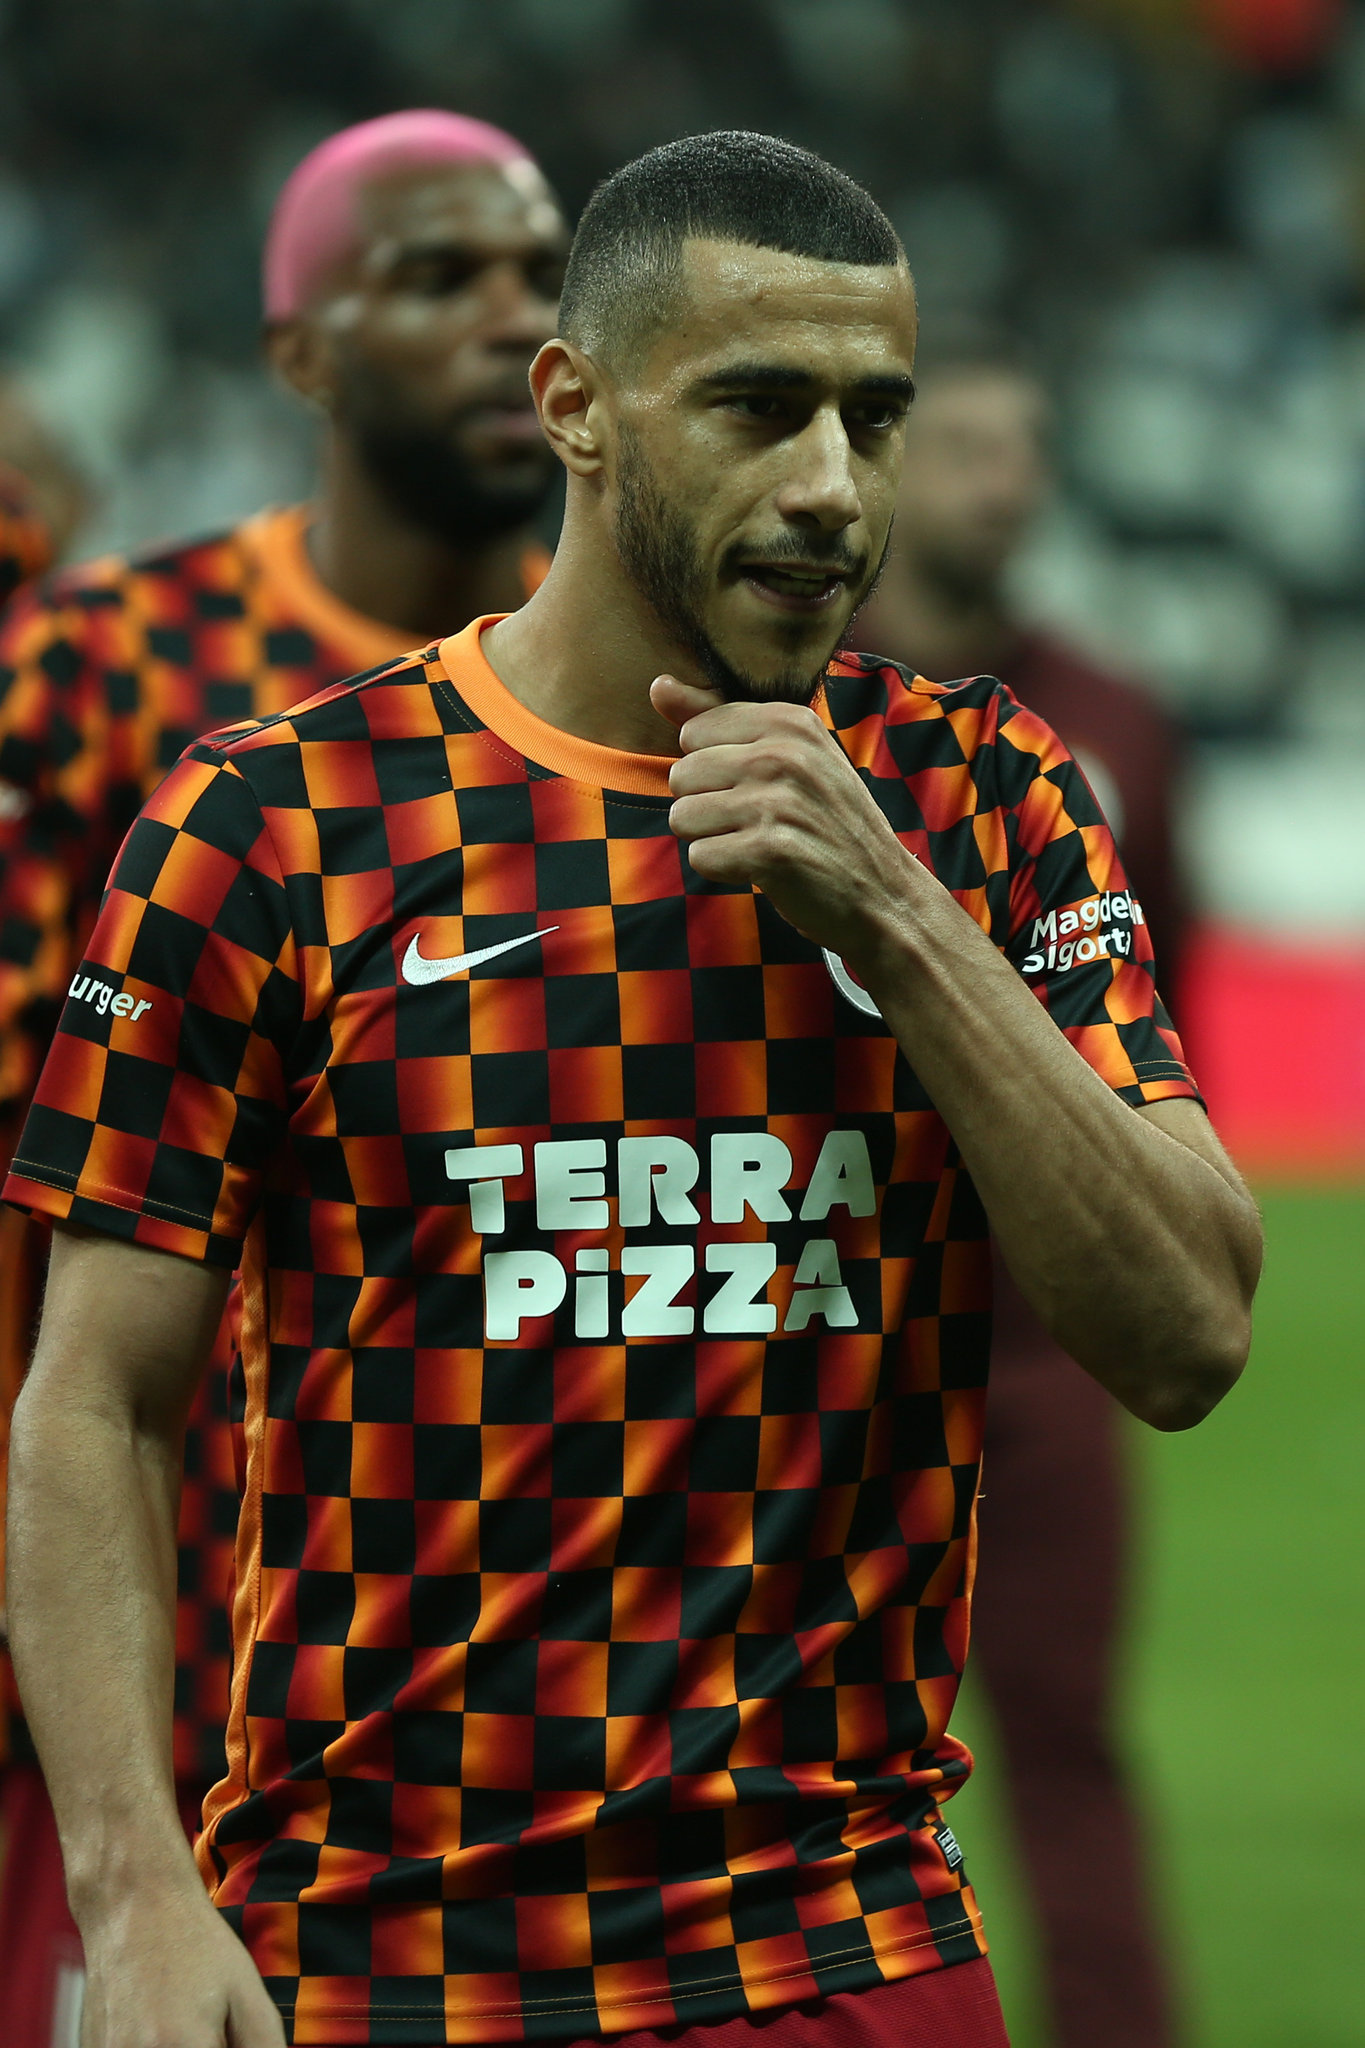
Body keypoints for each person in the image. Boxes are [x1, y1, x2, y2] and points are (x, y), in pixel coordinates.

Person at [3, 131, 1260, 2048]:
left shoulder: (979, 797)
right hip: (379, 1951)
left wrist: (895, 917)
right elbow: (95, 1400)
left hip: (839, 1949)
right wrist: (130, 1885)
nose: (830, 485)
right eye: (758, 409)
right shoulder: (274, 820)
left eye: (871, 417)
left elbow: (1185, 1335)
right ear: (575, 408)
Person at [0, 108, 569, 2048]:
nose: (510, 319)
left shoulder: (648, 713)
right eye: (438, 276)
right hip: (157, 1655)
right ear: (299, 353)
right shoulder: (106, 672)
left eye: (537, 275)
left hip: (538, 1696)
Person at [860, 347, 1189, 2048]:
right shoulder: (782, 707)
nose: (1007, 481)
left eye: (1026, 447)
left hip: (1041, 1343)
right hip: (834, 1320)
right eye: (969, 447)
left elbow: (1161, 1014)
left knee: (1067, 1742)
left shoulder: (1111, 720)